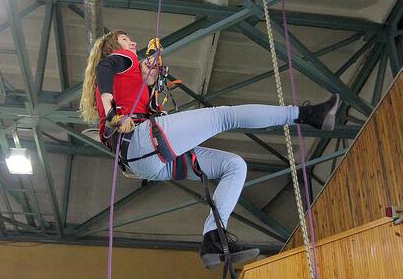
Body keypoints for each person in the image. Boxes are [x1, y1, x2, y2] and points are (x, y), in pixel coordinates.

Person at [79, 30, 340, 269]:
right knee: (224, 116)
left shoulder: (130, 78)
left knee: (234, 165)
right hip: (142, 142)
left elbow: (125, 90)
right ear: (114, 46)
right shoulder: (121, 59)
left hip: (144, 161)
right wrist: (112, 109)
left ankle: (213, 238)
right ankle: (307, 114)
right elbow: (106, 67)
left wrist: (146, 82)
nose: (133, 44)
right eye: (126, 40)